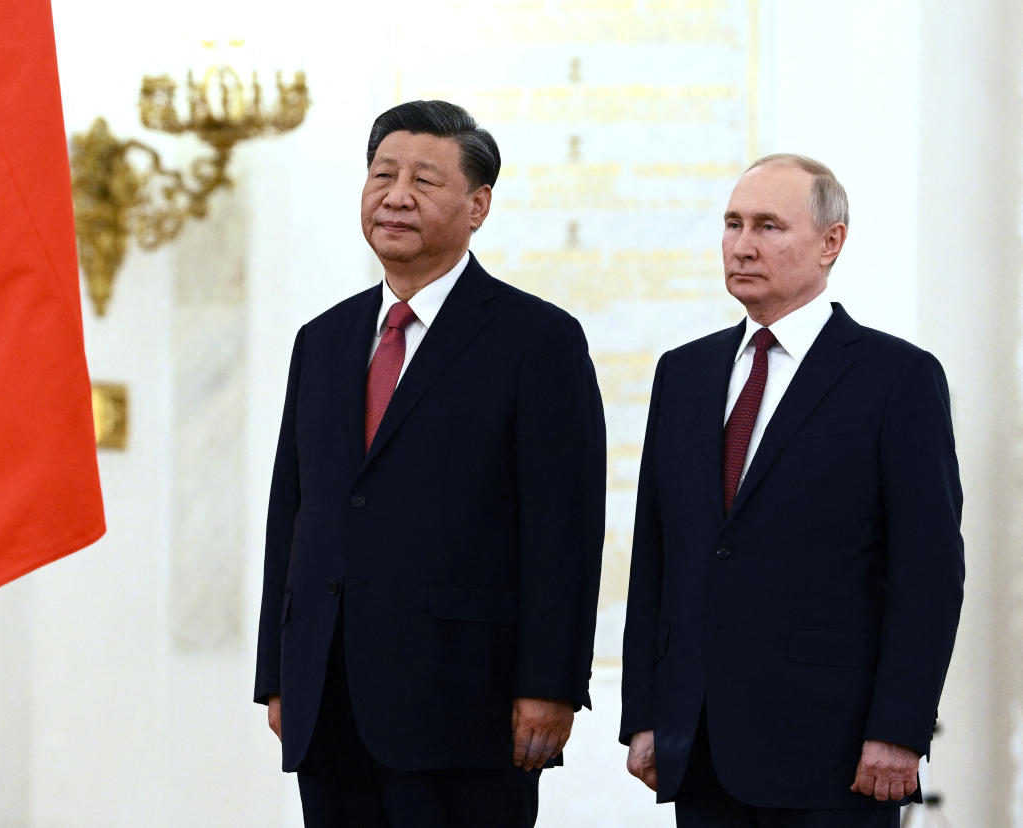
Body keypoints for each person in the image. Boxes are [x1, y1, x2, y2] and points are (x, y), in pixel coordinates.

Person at [253, 100, 606, 828]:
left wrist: (552, 683)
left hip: (465, 701)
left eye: (424, 180)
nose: (396, 195)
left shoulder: (537, 339)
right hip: (330, 696)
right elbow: (293, 513)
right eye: (382, 174)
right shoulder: (322, 340)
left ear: (478, 206)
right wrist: (279, 674)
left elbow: (564, 528)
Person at [620, 154, 964, 827]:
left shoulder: (897, 379)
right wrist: (645, 713)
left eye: (769, 226)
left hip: (836, 753)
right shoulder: (683, 374)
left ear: (831, 242)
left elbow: (928, 572)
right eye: (732, 224)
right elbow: (657, 558)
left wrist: (899, 728)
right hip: (703, 746)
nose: (743, 245)